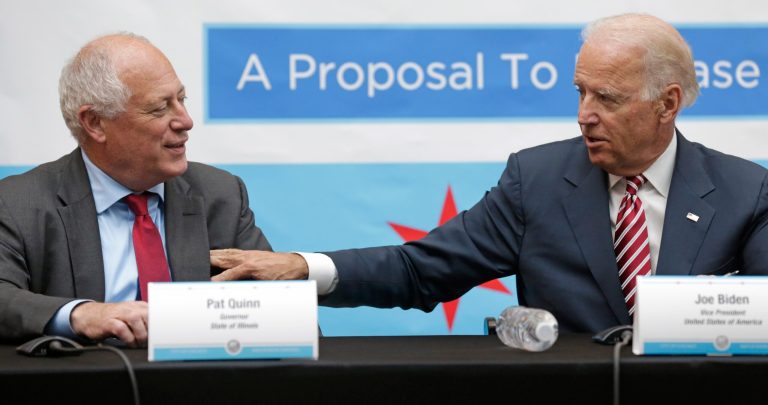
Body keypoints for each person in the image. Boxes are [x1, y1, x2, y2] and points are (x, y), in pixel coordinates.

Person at [210, 14, 768, 333]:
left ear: (667, 104)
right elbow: (420, 269)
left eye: (608, 98)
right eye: (580, 92)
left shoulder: (747, 192)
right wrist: (304, 267)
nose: (584, 115)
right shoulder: (538, 179)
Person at [0, 33, 271, 346]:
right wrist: (80, 315)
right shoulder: (19, 203)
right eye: (159, 109)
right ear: (95, 123)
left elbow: (278, 309)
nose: (185, 121)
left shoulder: (218, 194)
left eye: (181, 100)